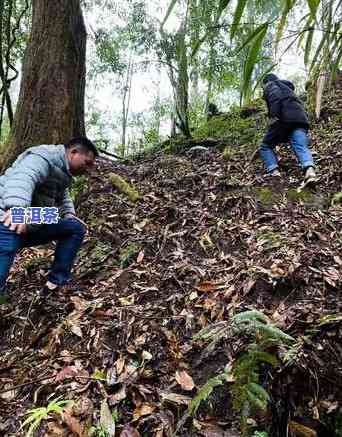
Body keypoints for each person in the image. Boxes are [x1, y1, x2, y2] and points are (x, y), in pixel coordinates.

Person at [0, 137, 98, 303]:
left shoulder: (63, 172)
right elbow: (24, 177)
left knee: (74, 228)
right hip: (7, 213)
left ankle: (54, 283)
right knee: (6, 249)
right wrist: (17, 208)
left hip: (32, 218)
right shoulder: (43, 156)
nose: (88, 169)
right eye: (87, 163)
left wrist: (69, 214)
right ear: (74, 153)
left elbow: (60, 193)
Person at [259, 73, 317, 184]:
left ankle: (274, 173)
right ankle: (310, 172)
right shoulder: (289, 90)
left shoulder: (271, 85)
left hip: (283, 119)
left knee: (265, 146)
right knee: (301, 146)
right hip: (300, 120)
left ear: (266, 82)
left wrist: (273, 117)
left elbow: (275, 98)